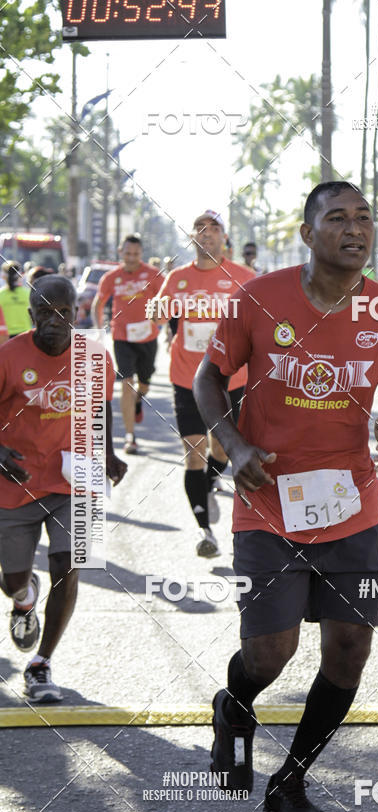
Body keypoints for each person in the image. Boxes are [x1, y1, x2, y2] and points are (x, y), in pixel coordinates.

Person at [194, 181, 378, 812]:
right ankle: (234, 703)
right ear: (307, 233)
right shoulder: (259, 299)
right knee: (269, 653)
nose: (355, 229)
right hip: (268, 502)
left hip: (351, 506)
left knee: (350, 648)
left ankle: (290, 781)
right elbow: (207, 377)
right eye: (337, 218)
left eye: (364, 217)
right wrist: (234, 445)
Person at [0, 275, 127, 702]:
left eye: (64, 312)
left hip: (74, 478)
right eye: (45, 313)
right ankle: (23, 601)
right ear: (31, 314)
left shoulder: (94, 355)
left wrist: (108, 453)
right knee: (13, 578)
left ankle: (41, 664)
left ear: (77, 313)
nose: (55, 321)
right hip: (16, 480)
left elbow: (101, 406)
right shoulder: (8, 357)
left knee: (69, 565)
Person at [153, 211, 254, 557]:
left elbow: (262, 323)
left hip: (231, 379)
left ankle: (211, 482)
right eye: (199, 228)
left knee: (222, 450)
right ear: (192, 238)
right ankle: (205, 530)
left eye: (213, 229)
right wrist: (155, 308)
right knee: (193, 453)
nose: (206, 234)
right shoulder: (178, 278)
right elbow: (159, 314)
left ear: (224, 237)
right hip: (186, 378)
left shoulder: (244, 277)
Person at [92, 235, 163, 454]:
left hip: (148, 337)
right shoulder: (112, 277)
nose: (131, 258)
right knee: (126, 383)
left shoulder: (153, 275)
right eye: (127, 253)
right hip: (122, 336)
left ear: (141, 254)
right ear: (120, 251)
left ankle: (138, 400)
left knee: (144, 384)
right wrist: (98, 330)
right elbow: (98, 303)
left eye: (136, 254)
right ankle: (130, 437)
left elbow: (167, 301)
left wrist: (164, 323)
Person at [0, 261, 31, 338]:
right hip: (25, 334)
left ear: (3, 276)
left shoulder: (1, 294)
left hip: (5, 337)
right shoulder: (28, 293)